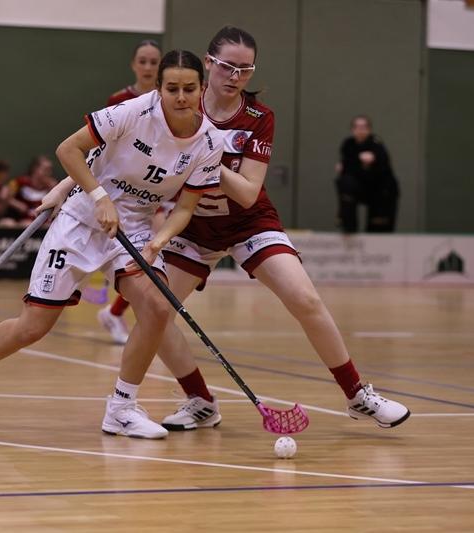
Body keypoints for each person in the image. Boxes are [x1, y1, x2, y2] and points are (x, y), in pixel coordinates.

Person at [0, 50, 222, 439]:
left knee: (157, 306)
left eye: (189, 89)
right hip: (82, 218)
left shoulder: (210, 142)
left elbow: (185, 207)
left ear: (202, 88)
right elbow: (69, 149)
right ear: (159, 87)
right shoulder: (132, 111)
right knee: (33, 327)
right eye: (172, 88)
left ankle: (122, 408)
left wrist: (158, 242)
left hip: (136, 227)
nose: (180, 97)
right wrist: (100, 198)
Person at [150, 27, 410, 431]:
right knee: (154, 312)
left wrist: (207, 158)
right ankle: (200, 402)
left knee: (305, 299)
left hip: (249, 223)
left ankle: (358, 395)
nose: (235, 76)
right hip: (192, 227)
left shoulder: (258, 118)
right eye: (227, 66)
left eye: (245, 69)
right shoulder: (178, 104)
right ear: (208, 63)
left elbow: (249, 192)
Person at [99, 39, 164, 344]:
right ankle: (114, 311)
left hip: (157, 185)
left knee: (156, 251)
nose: (149, 67)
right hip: (122, 187)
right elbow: (105, 145)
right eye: (143, 61)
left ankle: (115, 312)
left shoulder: (168, 100)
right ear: (133, 65)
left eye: (154, 62)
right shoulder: (119, 100)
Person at [335, 115, 400, 233]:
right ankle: (347, 224)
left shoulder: (376, 143)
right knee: (345, 182)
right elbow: (346, 165)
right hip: (361, 186)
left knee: (377, 228)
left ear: (369, 129)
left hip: (380, 188)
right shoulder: (348, 144)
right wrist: (354, 163)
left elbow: (383, 164)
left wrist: (371, 160)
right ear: (352, 129)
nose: (360, 130)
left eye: (364, 127)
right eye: (357, 127)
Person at [2, 155, 58, 225]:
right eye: (45, 170)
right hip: (23, 222)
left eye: (50, 170)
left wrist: (54, 189)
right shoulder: (19, 182)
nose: (48, 173)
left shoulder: (53, 187)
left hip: (43, 224)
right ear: (35, 169)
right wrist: (17, 204)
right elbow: (4, 196)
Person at [107, 40, 162, 106]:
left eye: (154, 62)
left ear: (161, 66)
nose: (148, 68)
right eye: (142, 62)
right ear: (133, 64)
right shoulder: (117, 100)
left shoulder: (166, 99)